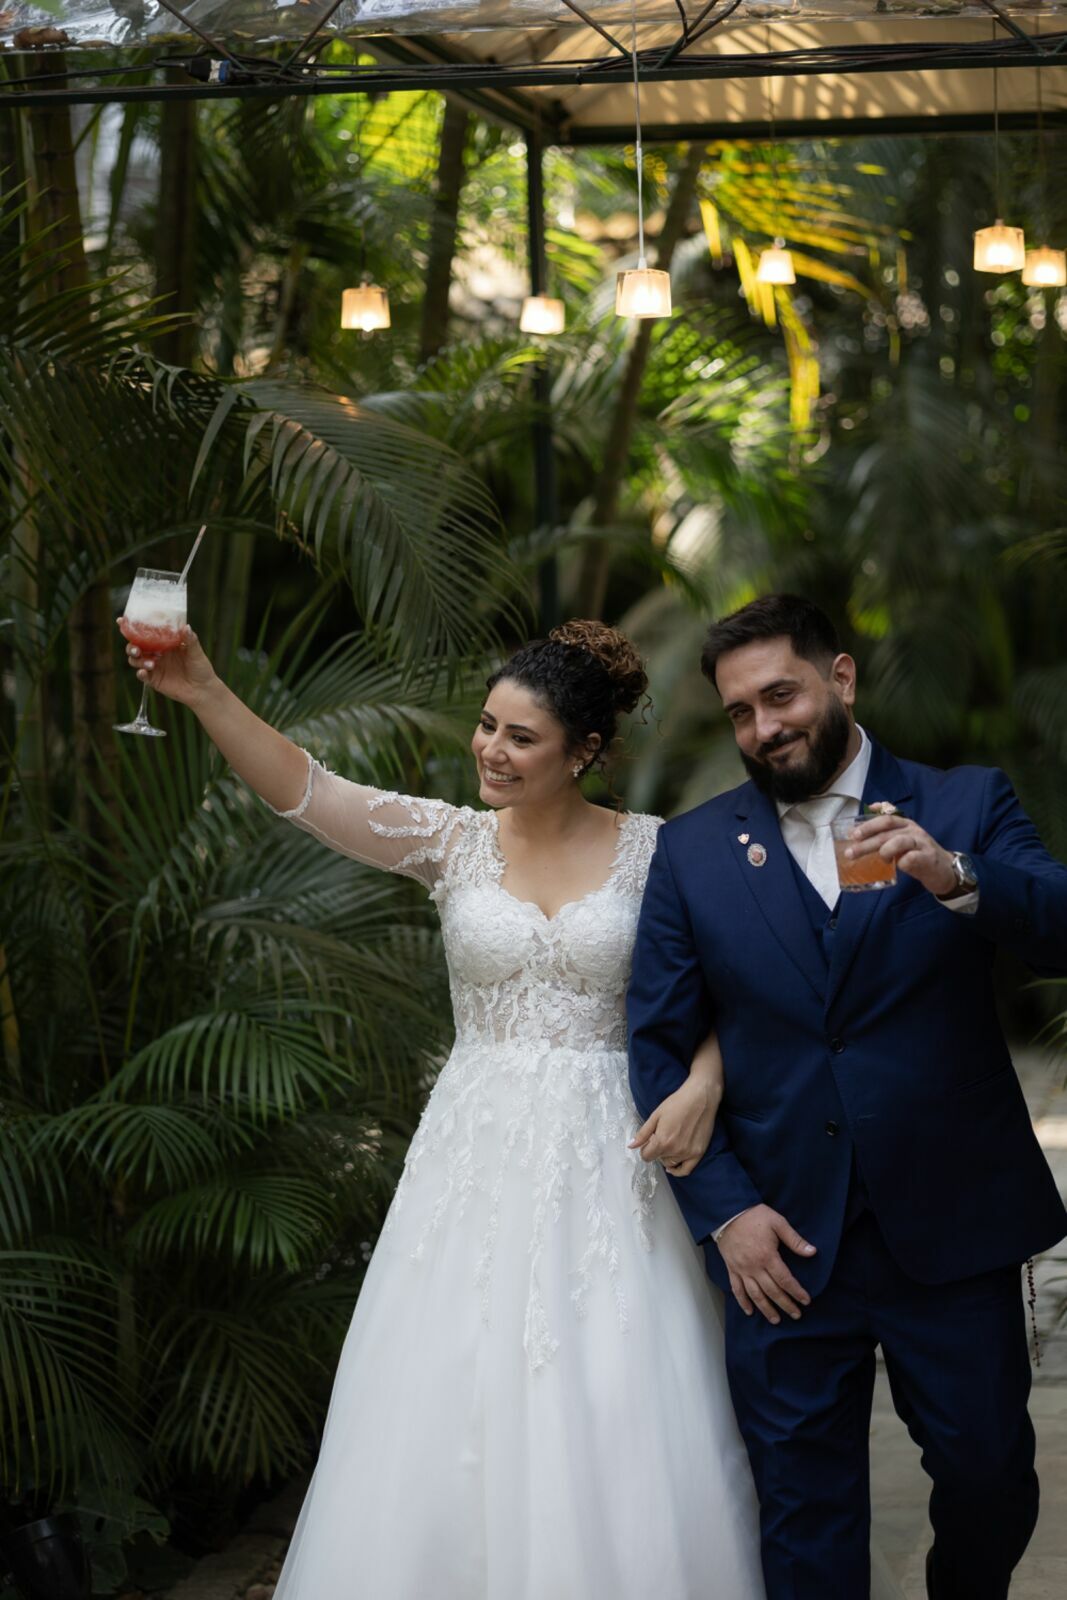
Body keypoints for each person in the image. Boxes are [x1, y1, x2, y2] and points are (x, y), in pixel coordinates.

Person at [120, 615, 765, 1598]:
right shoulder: (451, 841)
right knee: (449, 1382)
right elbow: (308, 790)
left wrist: (702, 1082)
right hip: (474, 1159)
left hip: (616, 1157)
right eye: (486, 725)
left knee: (617, 1387)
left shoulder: (661, 853)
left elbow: (741, 984)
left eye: (520, 737)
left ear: (582, 751)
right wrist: (203, 688)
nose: (489, 749)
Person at [627, 593, 1067, 1600]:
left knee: (988, 1478)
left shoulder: (963, 802)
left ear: (839, 677)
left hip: (951, 1226)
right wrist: (725, 1212)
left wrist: (954, 876)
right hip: (780, 1242)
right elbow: (656, 1047)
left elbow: (1056, 928)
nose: (762, 726)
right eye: (739, 712)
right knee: (801, 1512)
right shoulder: (691, 852)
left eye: (779, 695)